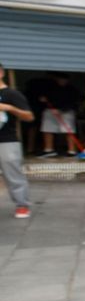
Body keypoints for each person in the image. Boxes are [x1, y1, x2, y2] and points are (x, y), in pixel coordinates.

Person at [0, 61, 35, 219]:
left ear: (1, 73)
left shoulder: (12, 94)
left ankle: (22, 205)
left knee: (13, 174)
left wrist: (10, 108)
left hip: (7, 140)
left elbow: (29, 117)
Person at [35, 73, 80, 157]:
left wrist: (62, 110)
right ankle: (48, 150)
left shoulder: (71, 89)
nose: (62, 81)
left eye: (64, 80)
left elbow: (74, 101)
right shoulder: (49, 88)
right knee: (47, 129)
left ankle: (72, 151)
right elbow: (41, 97)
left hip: (66, 111)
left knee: (69, 131)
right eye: (60, 79)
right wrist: (43, 100)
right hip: (50, 110)